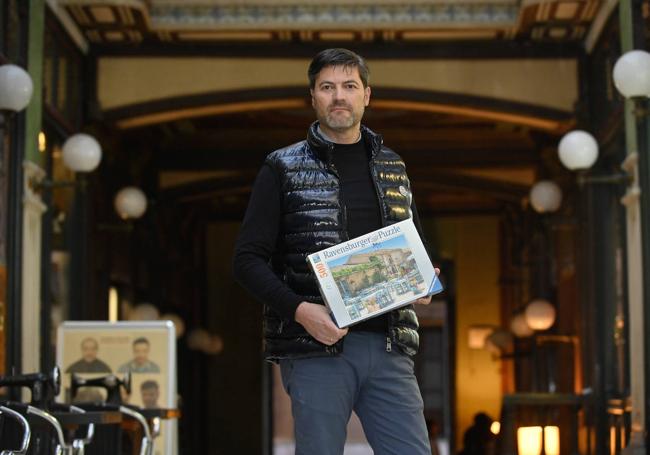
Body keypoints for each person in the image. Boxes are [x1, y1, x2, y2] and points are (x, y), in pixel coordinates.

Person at [233, 48, 437, 455]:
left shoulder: (393, 166)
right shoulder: (281, 167)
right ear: (313, 97)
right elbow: (246, 260)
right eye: (327, 87)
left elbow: (413, 247)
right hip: (316, 348)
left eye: (349, 86)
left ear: (367, 95)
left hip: (389, 345)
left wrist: (422, 278)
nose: (338, 96)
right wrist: (300, 311)